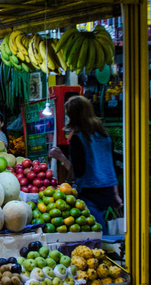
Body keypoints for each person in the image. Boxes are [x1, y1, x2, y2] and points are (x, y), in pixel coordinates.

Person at [48, 95, 121, 229]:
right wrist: (116, 194)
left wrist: (61, 158)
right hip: (108, 192)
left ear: (72, 116)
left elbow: (79, 172)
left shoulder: (78, 138)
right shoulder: (105, 135)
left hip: (90, 193)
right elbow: (112, 164)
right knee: (108, 235)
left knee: (97, 235)